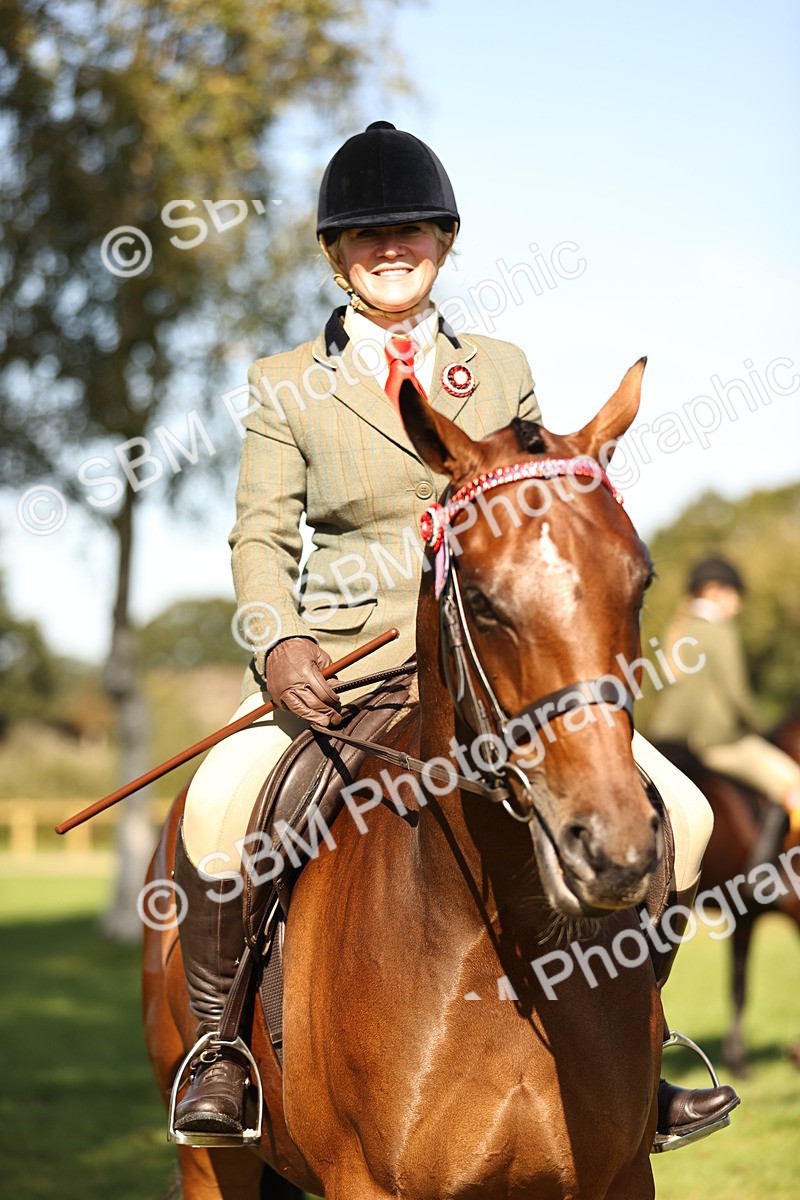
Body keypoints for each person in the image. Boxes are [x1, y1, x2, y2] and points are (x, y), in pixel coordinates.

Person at [170, 121, 737, 1147]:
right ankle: (220, 1053)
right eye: (369, 234)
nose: (392, 248)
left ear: (443, 242)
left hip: (496, 664)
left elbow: (532, 515)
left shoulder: (500, 365)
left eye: (413, 232)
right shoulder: (284, 381)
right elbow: (258, 535)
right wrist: (279, 644)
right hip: (341, 668)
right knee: (217, 807)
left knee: (683, 816)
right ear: (337, 255)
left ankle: (640, 1047)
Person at [650, 555, 800, 869]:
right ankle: (764, 871)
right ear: (716, 591)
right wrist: (760, 728)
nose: (738, 605)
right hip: (717, 741)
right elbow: (737, 694)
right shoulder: (721, 631)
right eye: (735, 596)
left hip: (666, 739)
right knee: (793, 783)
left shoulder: (676, 630)